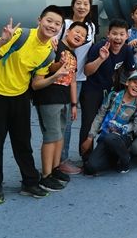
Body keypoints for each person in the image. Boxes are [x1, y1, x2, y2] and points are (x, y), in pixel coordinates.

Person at [0, 6, 67, 204]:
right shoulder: (20, 34)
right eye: (49, 21)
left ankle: (30, 182)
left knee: (23, 141)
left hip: (20, 96)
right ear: (39, 20)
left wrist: (54, 76)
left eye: (57, 24)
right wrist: (2, 40)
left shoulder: (48, 53)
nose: (52, 26)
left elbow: (36, 84)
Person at [31, 21, 88, 192]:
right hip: (49, 97)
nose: (79, 36)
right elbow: (49, 68)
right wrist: (59, 65)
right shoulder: (55, 45)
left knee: (60, 135)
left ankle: (55, 169)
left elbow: (72, 81)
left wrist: (74, 104)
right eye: (77, 32)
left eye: (83, 36)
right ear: (68, 31)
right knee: (51, 136)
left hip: (64, 99)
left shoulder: (73, 56)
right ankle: (46, 175)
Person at [80, 19, 135, 160]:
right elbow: (87, 71)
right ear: (108, 34)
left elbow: (132, 72)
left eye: (121, 34)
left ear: (127, 36)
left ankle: (106, 153)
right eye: (114, 33)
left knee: (110, 121)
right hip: (92, 89)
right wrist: (100, 59)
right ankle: (86, 158)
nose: (118, 37)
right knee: (89, 122)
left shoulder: (127, 50)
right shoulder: (98, 47)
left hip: (110, 91)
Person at [58, 0, 96, 175]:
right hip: (64, 78)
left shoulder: (91, 27)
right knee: (65, 121)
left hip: (81, 79)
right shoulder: (64, 25)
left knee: (74, 119)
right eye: (78, 3)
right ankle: (61, 160)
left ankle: (69, 156)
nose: (82, 7)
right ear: (73, 5)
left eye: (86, 4)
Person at [82, 72, 137, 175]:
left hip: (123, 138)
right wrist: (90, 137)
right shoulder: (113, 96)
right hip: (105, 136)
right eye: (135, 82)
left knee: (111, 137)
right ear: (127, 83)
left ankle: (126, 158)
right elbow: (100, 116)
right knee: (91, 167)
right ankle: (115, 159)